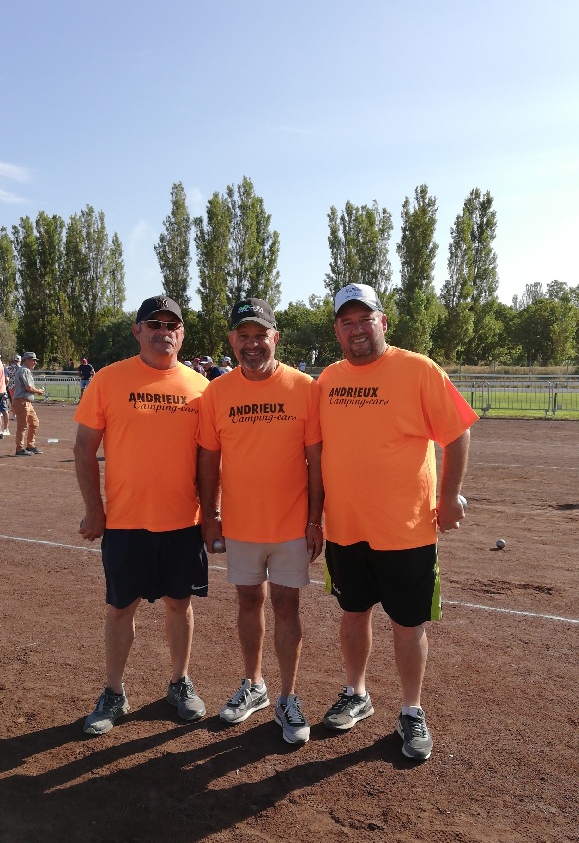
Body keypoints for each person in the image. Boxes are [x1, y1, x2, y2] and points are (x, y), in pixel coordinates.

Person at [318, 283, 479, 762]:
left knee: (408, 624)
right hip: (345, 527)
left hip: (406, 529)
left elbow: (457, 432)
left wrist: (448, 497)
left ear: (382, 322)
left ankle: (411, 709)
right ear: (337, 331)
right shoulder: (327, 379)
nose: (356, 329)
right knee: (353, 614)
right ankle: (356, 693)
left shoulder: (418, 369)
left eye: (364, 319)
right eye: (346, 322)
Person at [74, 295, 209, 736]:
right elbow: (83, 447)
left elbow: (211, 458)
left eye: (172, 323)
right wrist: (95, 510)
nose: (163, 330)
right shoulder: (109, 380)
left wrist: (211, 514)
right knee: (119, 608)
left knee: (179, 604)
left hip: (182, 523)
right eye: (154, 323)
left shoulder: (201, 387)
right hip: (126, 522)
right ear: (137, 331)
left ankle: (178, 682)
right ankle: (114, 692)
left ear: (182, 333)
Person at [197, 297, 323, 745]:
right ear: (232, 341)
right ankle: (254, 685)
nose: (252, 344)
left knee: (287, 607)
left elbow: (315, 461)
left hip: (291, 526)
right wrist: (209, 516)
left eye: (260, 335)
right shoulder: (216, 392)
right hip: (240, 526)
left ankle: (287, 697)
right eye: (243, 336)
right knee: (248, 603)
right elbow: (209, 462)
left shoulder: (305, 387)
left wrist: (314, 520)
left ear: (275, 338)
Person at [13, 352, 45, 456]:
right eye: (33, 360)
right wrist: (38, 391)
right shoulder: (24, 370)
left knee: (34, 423)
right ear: (26, 360)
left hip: (26, 402)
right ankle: (19, 449)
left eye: (35, 360)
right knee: (22, 426)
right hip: (22, 401)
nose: (35, 362)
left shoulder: (26, 370)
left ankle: (30, 446)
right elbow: (28, 388)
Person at [0, 353, 9, 437]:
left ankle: (4, 429)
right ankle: (5, 429)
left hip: (1, 390)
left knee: (3, 410)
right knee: (3, 410)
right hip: (2, 390)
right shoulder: (3, 366)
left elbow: (6, 379)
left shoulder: (2, 366)